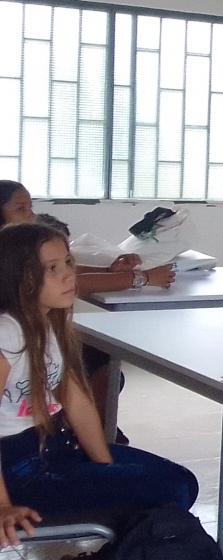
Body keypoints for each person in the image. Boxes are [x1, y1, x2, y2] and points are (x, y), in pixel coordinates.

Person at [0, 222, 198, 545]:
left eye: (68, 263)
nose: (69, 275)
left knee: (182, 481)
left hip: (54, 449)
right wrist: (2, 506)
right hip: (17, 469)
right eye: (52, 268)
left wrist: (105, 467)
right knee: (173, 490)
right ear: (20, 278)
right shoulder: (7, 334)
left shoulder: (47, 324)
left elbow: (77, 402)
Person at [0, 181, 176, 427]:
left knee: (99, 361)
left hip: (33, 335)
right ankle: (80, 430)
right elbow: (72, 281)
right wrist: (141, 277)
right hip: (16, 347)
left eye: (31, 207)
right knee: (92, 366)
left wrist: (110, 270)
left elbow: (66, 271)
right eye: (21, 209)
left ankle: (92, 430)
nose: (31, 215)